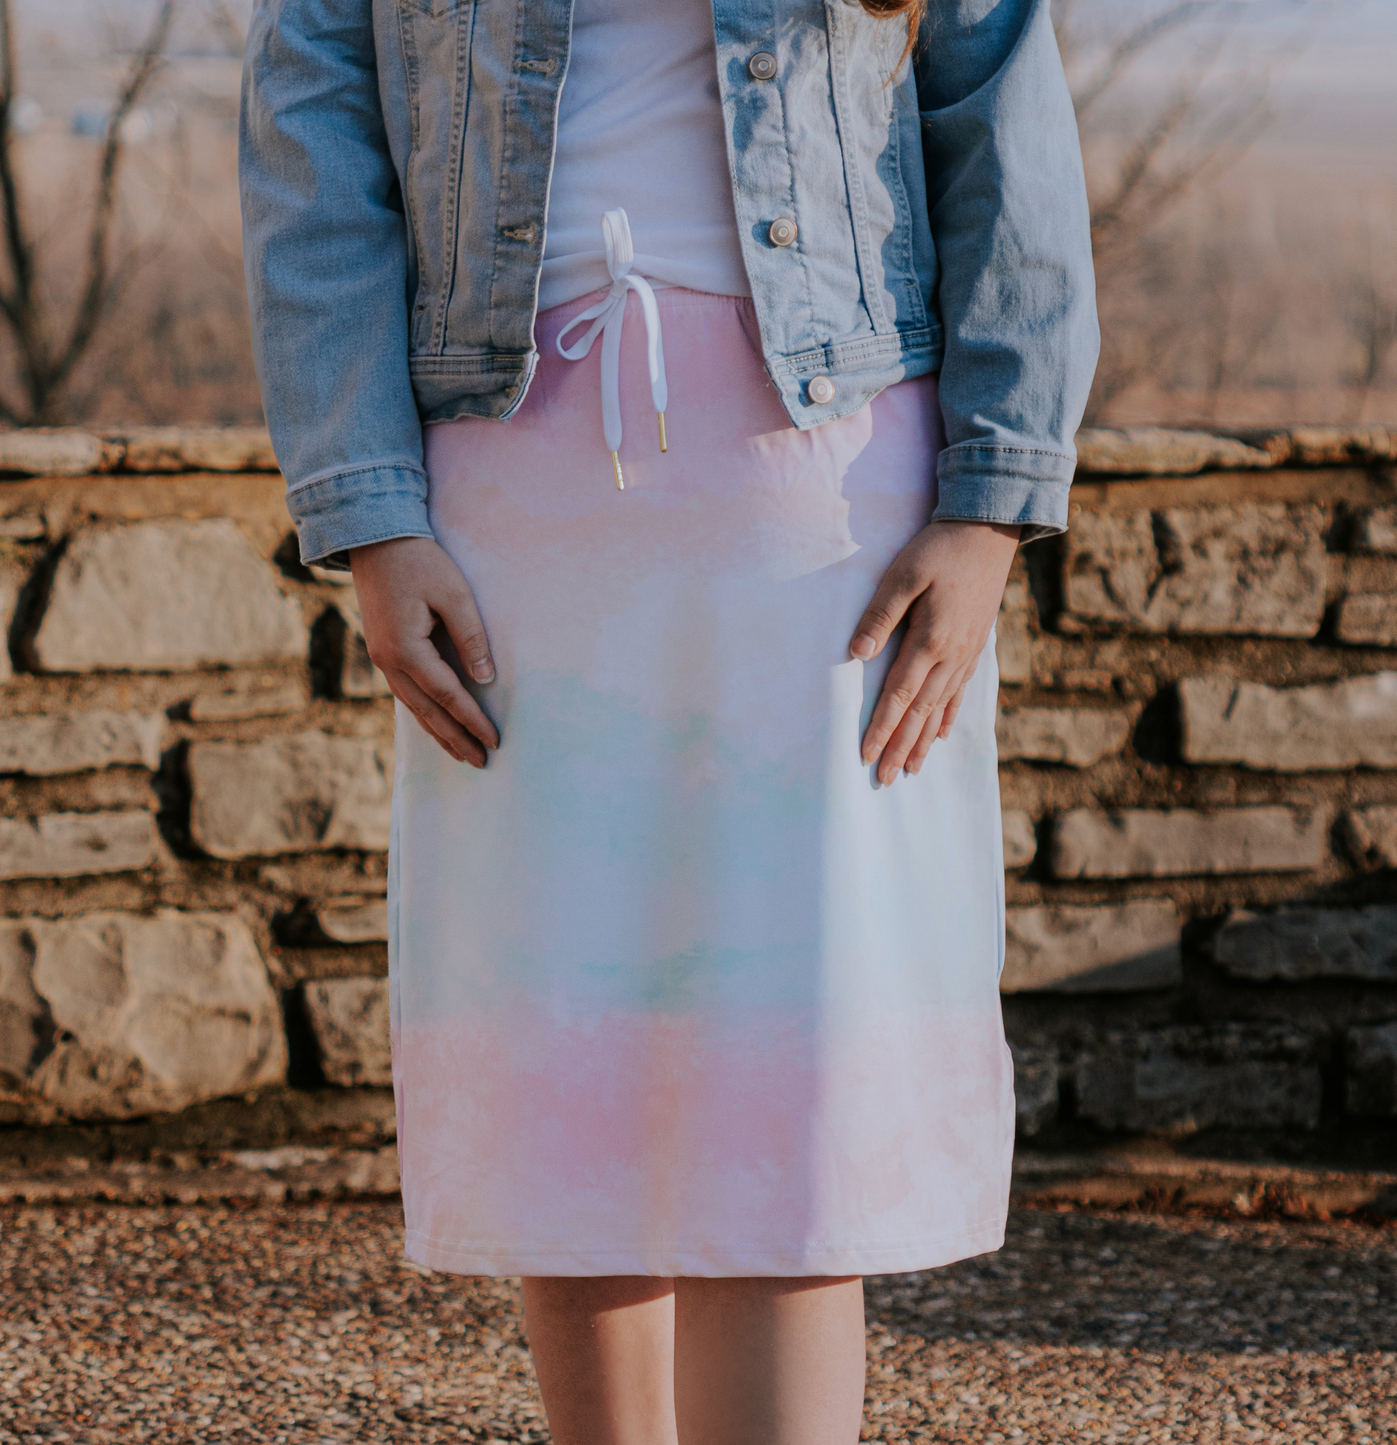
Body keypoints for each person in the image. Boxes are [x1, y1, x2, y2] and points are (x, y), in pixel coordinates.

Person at [240, 0, 1097, 1438]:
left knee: (788, 1089)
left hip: (828, 523)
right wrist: (370, 515)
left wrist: (991, 510)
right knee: (572, 1083)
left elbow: (999, 119)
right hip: (513, 525)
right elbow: (310, 151)